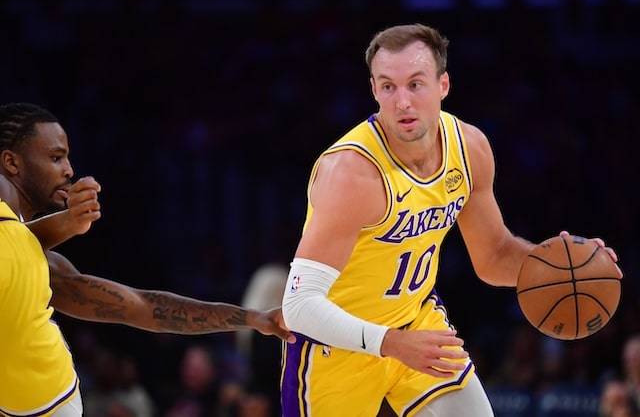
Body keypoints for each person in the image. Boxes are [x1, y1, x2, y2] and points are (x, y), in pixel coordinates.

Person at [280, 23, 622, 417]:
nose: (402, 102)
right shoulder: (351, 173)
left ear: (443, 84)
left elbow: (494, 255)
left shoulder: (470, 148)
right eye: (388, 87)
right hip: (336, 342)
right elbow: (300, 304)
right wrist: (389, 343)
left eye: (415, 84)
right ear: (374, 90)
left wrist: (559, 264)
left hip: (415, 323)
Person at [0, 101, 293, 417]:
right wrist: (68, 223)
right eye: (56, 157)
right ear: (11, 162)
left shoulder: (39, 261)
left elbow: (144, 307)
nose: (70, 170)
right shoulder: (12, 218)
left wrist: (252, 318)